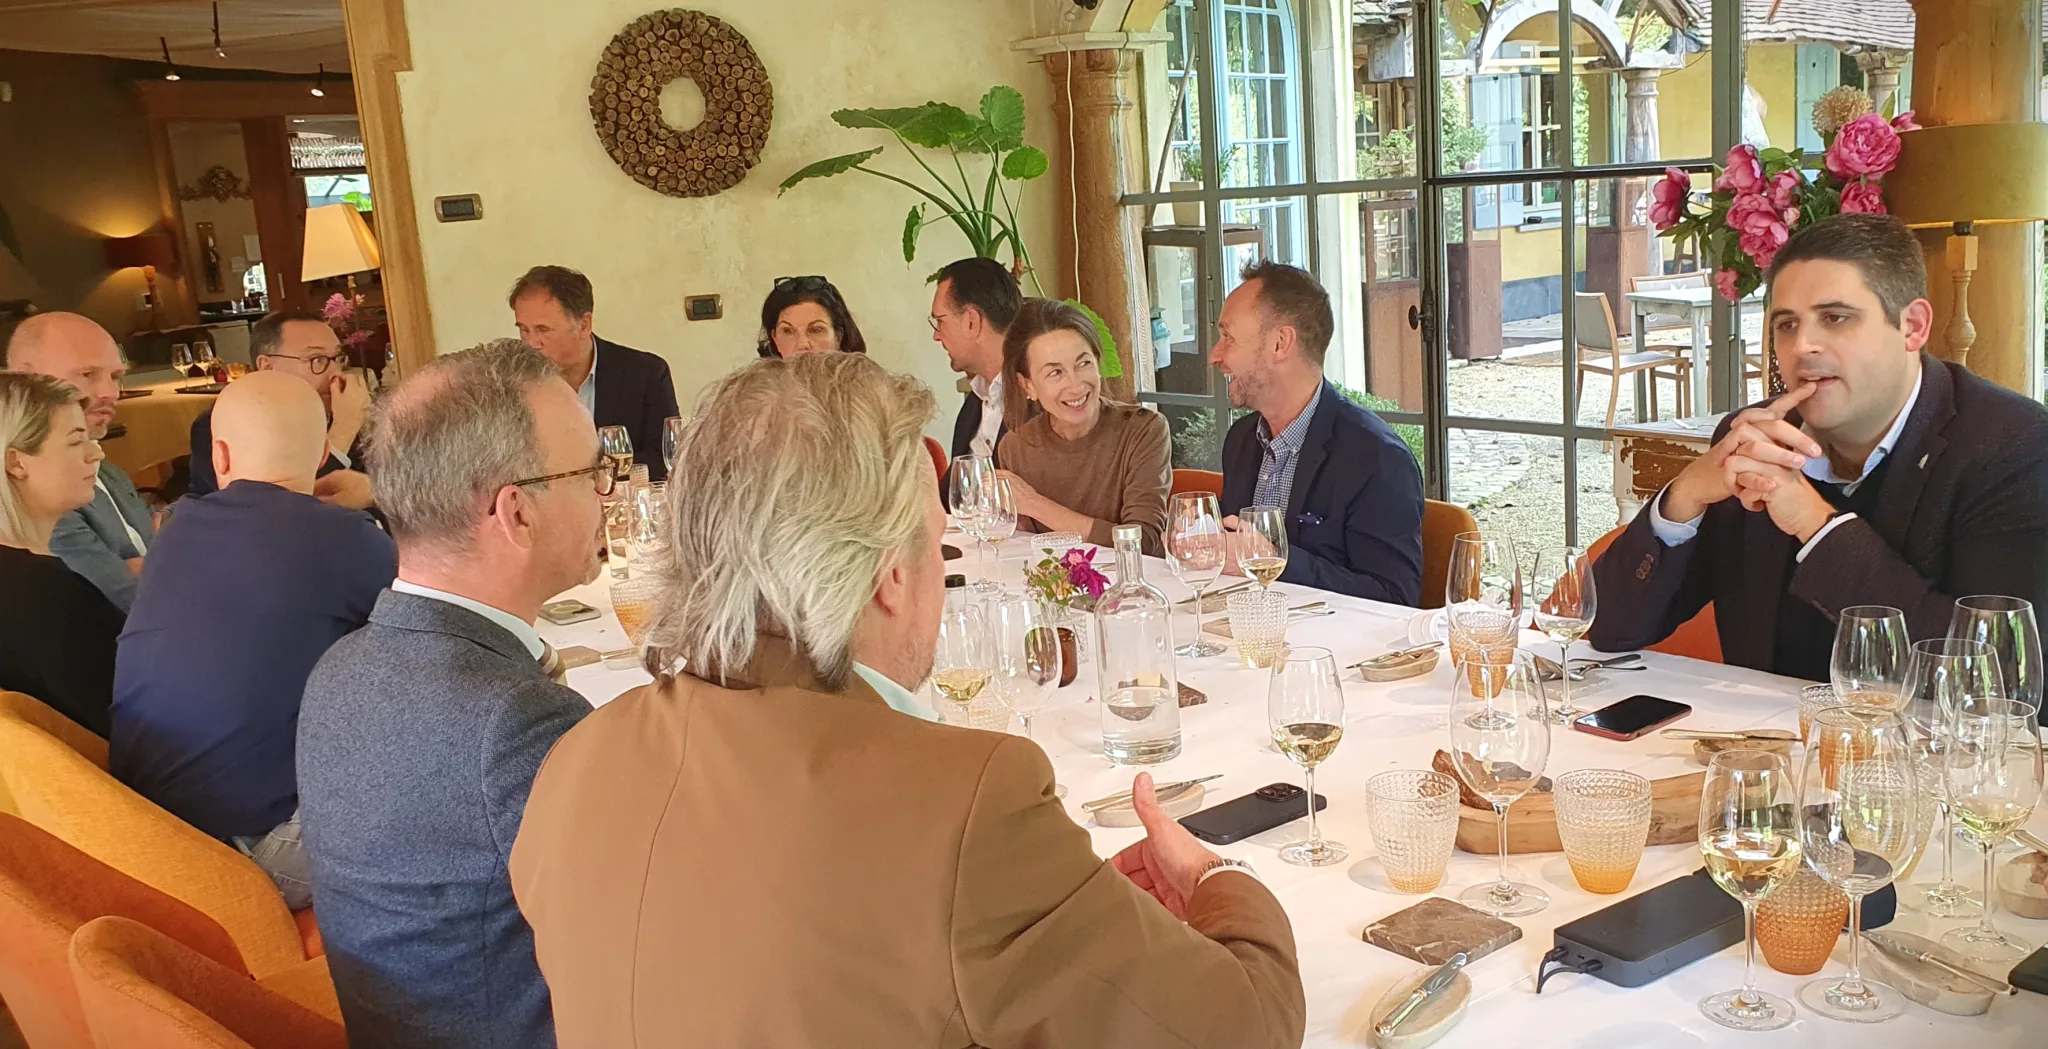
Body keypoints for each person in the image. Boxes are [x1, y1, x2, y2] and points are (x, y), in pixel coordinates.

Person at [509, 352, 1305, 1048]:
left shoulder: (576, 760)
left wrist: (1060, 908)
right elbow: (1244, 1024)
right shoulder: (963, 803)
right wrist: (1219, 876)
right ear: (891, 573)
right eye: (937, 536)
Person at [296, 340, 598, 1048]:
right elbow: (645, 928)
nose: (605, 493)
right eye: (591, 473)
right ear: (516, 513)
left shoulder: (339, 668)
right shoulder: (518, 721)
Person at [1589, 213, 2048, 678]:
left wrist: (1813, 522)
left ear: (1912, 326)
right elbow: (1607, 628)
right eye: (1787, 325)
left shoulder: (2013, 447)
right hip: (1760, 726)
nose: (1802, 346)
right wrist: (1685, 495)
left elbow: (1999, 679)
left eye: (1835, 318)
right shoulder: (1755, 438)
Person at [111, 372, 395, 911]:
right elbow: (445, 616)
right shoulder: (344, 538)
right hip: (257, 852)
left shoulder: (176, 529)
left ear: (219, 456)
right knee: (460, 783)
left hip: (158, 838)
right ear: (321, 456)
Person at [1212, 261, 1424, 605]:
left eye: (1228, 337)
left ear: (1281, 343)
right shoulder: (1241, 439)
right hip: (1249, 628)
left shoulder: (1378, 458)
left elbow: (1394, 598)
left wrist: (1275, 562)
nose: (1215, 355)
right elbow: (1235, 551)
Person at [2, 313, 154, 611]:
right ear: (25, 377)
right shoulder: (35, 494)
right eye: (87, 374)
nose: (111, 392)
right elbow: (125, 601)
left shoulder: (107, 471)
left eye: (116, 376)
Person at [994, 298, 1171, 553]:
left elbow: (1141, 542)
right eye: (1055, 373)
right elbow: (1025, 548)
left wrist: (1035, 504)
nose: (1076, 385)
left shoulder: (1143, 430)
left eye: (1083, 363)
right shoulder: (1015, 447)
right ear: (1028, 385)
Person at [0, 373, 123, 737]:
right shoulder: (44, 593)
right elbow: (125, 719)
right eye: (75, 441)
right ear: (16, 463)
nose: (96, 453)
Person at [185, 308, 372, 509]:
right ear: (267, 367)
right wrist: (344, 429)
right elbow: (277, 512)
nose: (335, 373)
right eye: (317, 359)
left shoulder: (345, 407)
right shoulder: (224, 425)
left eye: (337, 358)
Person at [510, 264, 679, 482]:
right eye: (524, 330)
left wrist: (589, 478)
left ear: (584, 325)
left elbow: (665, 457)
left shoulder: (645, 373)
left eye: (543, 330)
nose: (532, 343)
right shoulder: (515, 381)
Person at [931, 256, 1019, 462]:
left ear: (971, 322)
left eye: (940, 322)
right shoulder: (972, 406)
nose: (936, 335)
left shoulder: (1044, 403)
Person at [756, 274, 867, 358]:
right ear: (775, 339)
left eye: (815, 330)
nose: (802, 345)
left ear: (838, 337)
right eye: (788, 331)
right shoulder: (755, 381)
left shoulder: (866, 381)